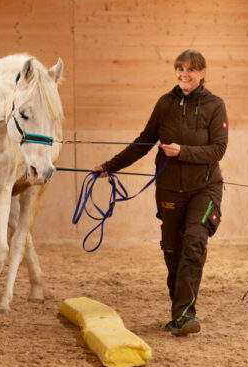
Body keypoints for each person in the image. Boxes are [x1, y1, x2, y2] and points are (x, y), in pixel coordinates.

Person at [92, 49, 228, 336]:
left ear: (202, 73)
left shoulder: (215, 105)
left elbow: (218, 149)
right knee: (172, 252)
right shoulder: (164, 104)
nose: (184, 74)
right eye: (179, 69)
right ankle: (178, 313)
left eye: (190, 69)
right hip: (169, 189)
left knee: (193, 243)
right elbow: (143, 142)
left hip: (205, 188)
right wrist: (110, 166)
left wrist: (183, 151)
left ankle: (186, 315)